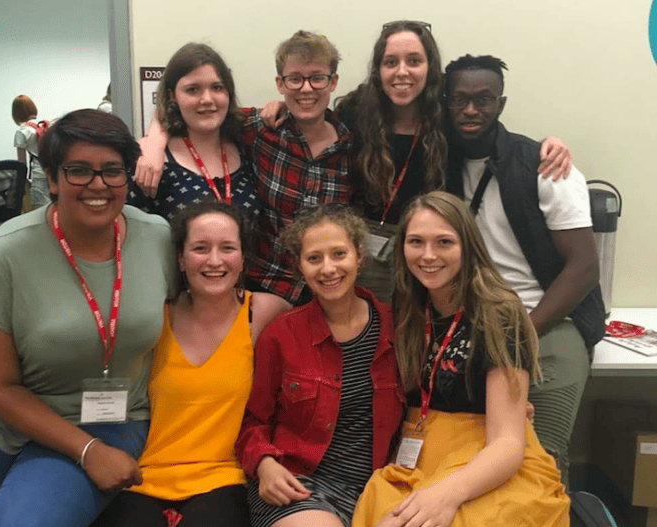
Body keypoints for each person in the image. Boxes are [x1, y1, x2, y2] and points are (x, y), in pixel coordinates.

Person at [0, 109, 176, 527]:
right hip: (2, 413)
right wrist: (86, 451)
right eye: (79, 171)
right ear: (52, 178)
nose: (98, 185)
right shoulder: (2, 252)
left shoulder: (157, 237)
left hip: (112, 417)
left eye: (112, 171)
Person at [260, 22, 571, 302]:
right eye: (390, 62)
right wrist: (282, 106)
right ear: (378, 70)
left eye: (414, 61)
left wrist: (546, 145)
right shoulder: (357, 111)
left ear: (429, 67)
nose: (402, 72)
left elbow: (493, 136)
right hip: (364, 253)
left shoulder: (448, 118)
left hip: (428, 252)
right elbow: (315, 118)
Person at [351, 191, 569, 527]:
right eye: (415, 242)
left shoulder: (499, 314)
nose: (428, 255)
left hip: (487, 463)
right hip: (416, 460)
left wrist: (446, 493)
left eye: (443, 242)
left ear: (467, 247)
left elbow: (507, 443)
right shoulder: (406, 307)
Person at [443, 54, 605, 486]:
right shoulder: (436, 165)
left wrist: (523, 333)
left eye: (484, 99)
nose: (472, 110)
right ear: (444, 103)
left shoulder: (545, 166)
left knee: (541, 463)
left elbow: (585, 267)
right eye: (460, 100)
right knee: (471, 455)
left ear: (501, 103)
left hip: (548, 324)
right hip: (471, 327)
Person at [92, 202, 291, 527]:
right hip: (143, 476)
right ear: (181, 259)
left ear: (243, 258)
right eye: (200, 248)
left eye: (227, 248)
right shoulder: (154, 316)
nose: (215, 260)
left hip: (224, 479)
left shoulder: (264, 312)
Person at [135, 31, 354, 305]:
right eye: (295, 79)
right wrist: (154, 141)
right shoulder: (260, 129)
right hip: (259, 292)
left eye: (317, 78)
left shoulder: (353, 147)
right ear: (280, 83)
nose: (306, 89)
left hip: (325, 293)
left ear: (333, 81)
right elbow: (187, 110)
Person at [235, 204, 403, 527]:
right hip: (298, 486)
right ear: (299, 266)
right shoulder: (281, 335)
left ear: (359, 256)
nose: (328, 269)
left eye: (339, 254)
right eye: (314, 258)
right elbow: (252, 420)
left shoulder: (395, 330)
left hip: (378, 489)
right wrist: (264, 463)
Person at [127, 43, 260, 225]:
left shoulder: (246, 144)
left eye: (217, 87)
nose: (207, 99)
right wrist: (154, 141)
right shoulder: (149, 162)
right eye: (192, 90)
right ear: (172, 95)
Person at [12, 94, 49, 208]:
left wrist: (21, 184)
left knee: (39, 212)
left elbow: (21, 164)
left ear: (16, 114)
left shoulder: (22, 131)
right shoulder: (47, 125)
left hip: (39, 175)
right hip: (55, 172)